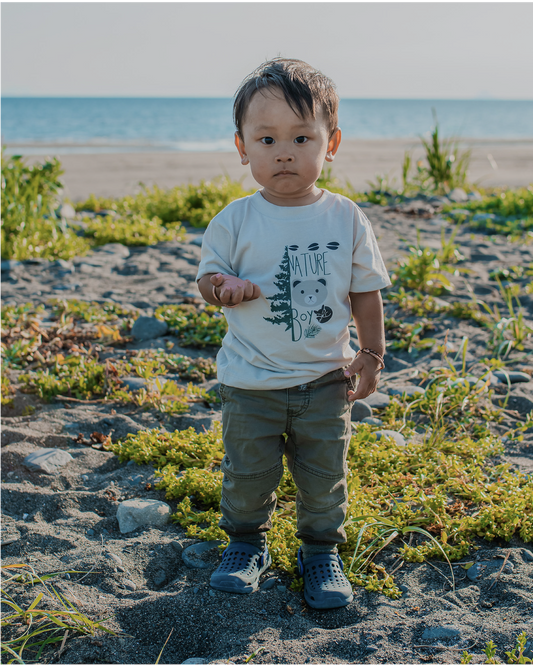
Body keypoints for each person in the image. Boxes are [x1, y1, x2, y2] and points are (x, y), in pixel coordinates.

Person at [196, 58, 391, 610]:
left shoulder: (346, 217)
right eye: (267, 138)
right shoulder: (234, 220)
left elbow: (365, 291)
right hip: (250, 381)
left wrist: (371, 353)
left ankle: (319, 551)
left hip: (325, 378)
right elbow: (208, 280)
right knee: (247, 473)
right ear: (242, 147)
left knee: (323, 473)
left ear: (330, 145)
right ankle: (245, 543)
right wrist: (223, 287)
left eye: (302, 136)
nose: (284, 151)